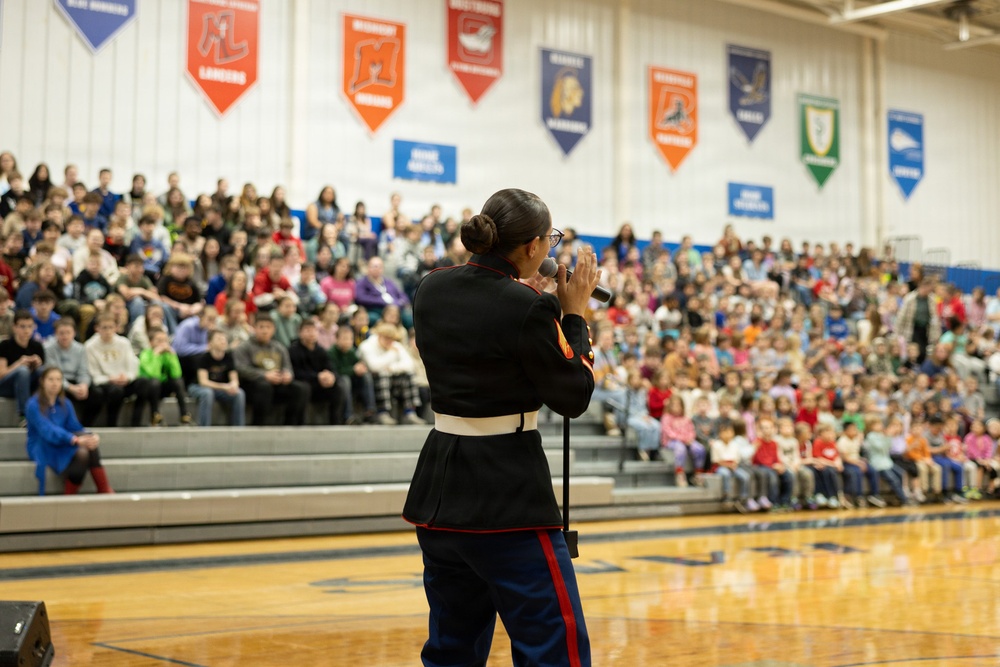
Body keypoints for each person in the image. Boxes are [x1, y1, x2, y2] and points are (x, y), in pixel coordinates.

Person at [402, 188, 597, 667]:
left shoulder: (432, 286)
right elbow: (573, 396)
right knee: (553, 648)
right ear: (532, 247)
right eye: (549, 240)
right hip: (508, 493)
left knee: (452, 648)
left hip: (441, 485)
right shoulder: (529, 306)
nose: (550, 248)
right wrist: (574, 315)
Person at [26, 367, 112, 494]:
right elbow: (47, 430)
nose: (55, 383)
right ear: (42, 381)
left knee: (88, 446)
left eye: (58, 379)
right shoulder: (33, 404)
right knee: (82, 453)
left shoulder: (65, 403)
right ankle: (97, 491)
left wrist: (91, 436)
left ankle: (103, 490)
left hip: (63, 440)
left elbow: (75, 427)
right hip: (42, 444)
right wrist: (74, 439)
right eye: (51, 379)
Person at [85, 313, 160, 427]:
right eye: (104, 327)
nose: (108, 331)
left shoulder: (124, 342)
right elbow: (93, 374)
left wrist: (127, 377)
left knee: (144, 382)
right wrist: (110, 379)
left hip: (124, 380)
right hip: (105, 383)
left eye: (111, 327)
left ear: (116, 328)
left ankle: (136, 422)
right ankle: (112, 424)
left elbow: (133, 366)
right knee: (116, 391)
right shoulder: (90, 346)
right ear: (97, 329)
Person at [233, 317, 309, 426]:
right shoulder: (244, 347)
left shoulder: (279, 347)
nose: (265, 331)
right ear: (254, 328)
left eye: (268, 327)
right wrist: (264, 375)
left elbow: (288, 367)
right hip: (253, 384)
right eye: (261, 327)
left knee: (302, 388)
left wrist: (287, 375)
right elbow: (241, 368)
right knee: (264, 387)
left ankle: (291, 425)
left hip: (277, 382)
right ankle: (259, 426)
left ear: (273, 330)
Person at [43, 317, 102, 427]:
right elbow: (52, 374)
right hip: (59, 382)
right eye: (61, 333)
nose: (65, 336)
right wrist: (71, 388)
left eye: (68, 333)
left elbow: (84, 371)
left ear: (74, 333)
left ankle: (85, 425)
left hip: (76, 380)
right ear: (55, 334)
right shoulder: (48, 349)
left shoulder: (80, 349)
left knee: (97, 394)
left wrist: (83, 385)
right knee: (55, 389)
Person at [289, 319, 347, 425]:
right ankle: (299, 424)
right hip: (304, 383)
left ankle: (336, 423)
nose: (311, 333)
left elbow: (331, 368)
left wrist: (331, 376)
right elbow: (295, 372)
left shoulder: (321, 350)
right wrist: (317, 376)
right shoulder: (293, 350)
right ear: (300, 333)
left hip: (319, 384)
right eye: (307, 330)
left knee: (338, 387)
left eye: (314, 330)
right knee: (303, 388)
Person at [190, 330, 245, 427]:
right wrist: (224, 387)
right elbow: (203, 382)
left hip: (219, 388)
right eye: (219, 339)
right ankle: (203, 428)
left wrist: (233, 385)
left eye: (224, 339)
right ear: (210, 343)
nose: (223, 341)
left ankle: (238, 428)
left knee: (239, 393)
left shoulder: (229, 357)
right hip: (198, 387)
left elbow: (234, 379)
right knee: (207, 393)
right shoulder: (203, 358)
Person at [0, 310, 45, 425]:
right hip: (6, 386)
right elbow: (1, 374)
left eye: (30, 326)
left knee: (43, 371)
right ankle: (24, 415)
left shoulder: (37, 346)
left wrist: (38, 364)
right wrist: (19, 363)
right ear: (14, 327)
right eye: (22, 326)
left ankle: (44, 411)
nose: (26, 330)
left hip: (27, 385)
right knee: (23, 371)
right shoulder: (5, 345)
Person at [138, 327, 190, 426]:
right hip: (149, 389)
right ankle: (155, 415)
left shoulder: (168, 354)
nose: (163, 344)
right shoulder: (145, 354)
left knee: (178, 381)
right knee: (155, 382)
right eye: (159, 341)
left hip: (163, 388)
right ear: (151, 342)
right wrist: (156, 356)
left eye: (165, 340)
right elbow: (153, 374)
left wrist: (173, 356)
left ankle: (184, 414)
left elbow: (177, 373)